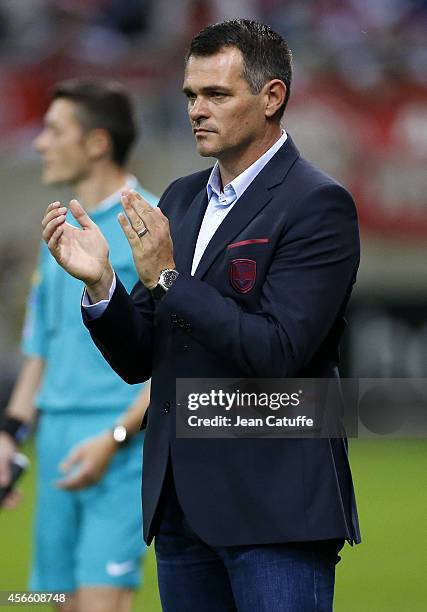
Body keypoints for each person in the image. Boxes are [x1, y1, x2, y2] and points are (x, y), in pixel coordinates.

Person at [41, 20, 361, 612]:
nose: (196, 110)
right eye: (191, 95)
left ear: (272, 98)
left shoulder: (318, 204)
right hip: (181, 509)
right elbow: (142, 358)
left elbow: (278, 353)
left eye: (216, 95)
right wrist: (102, 285)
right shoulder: (182, 198)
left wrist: (168, 279)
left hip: (275, 514)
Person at [0, 79, 157, 612]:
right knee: (54, 602)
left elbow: (175, 357)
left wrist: (114, 438)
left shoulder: (153, 224)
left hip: (121, 448)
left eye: (54, 130)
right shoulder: (59, 231)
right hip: (56, 446)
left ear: (96, 143)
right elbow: (41, 350)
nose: (40, 142)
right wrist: (9, 435)